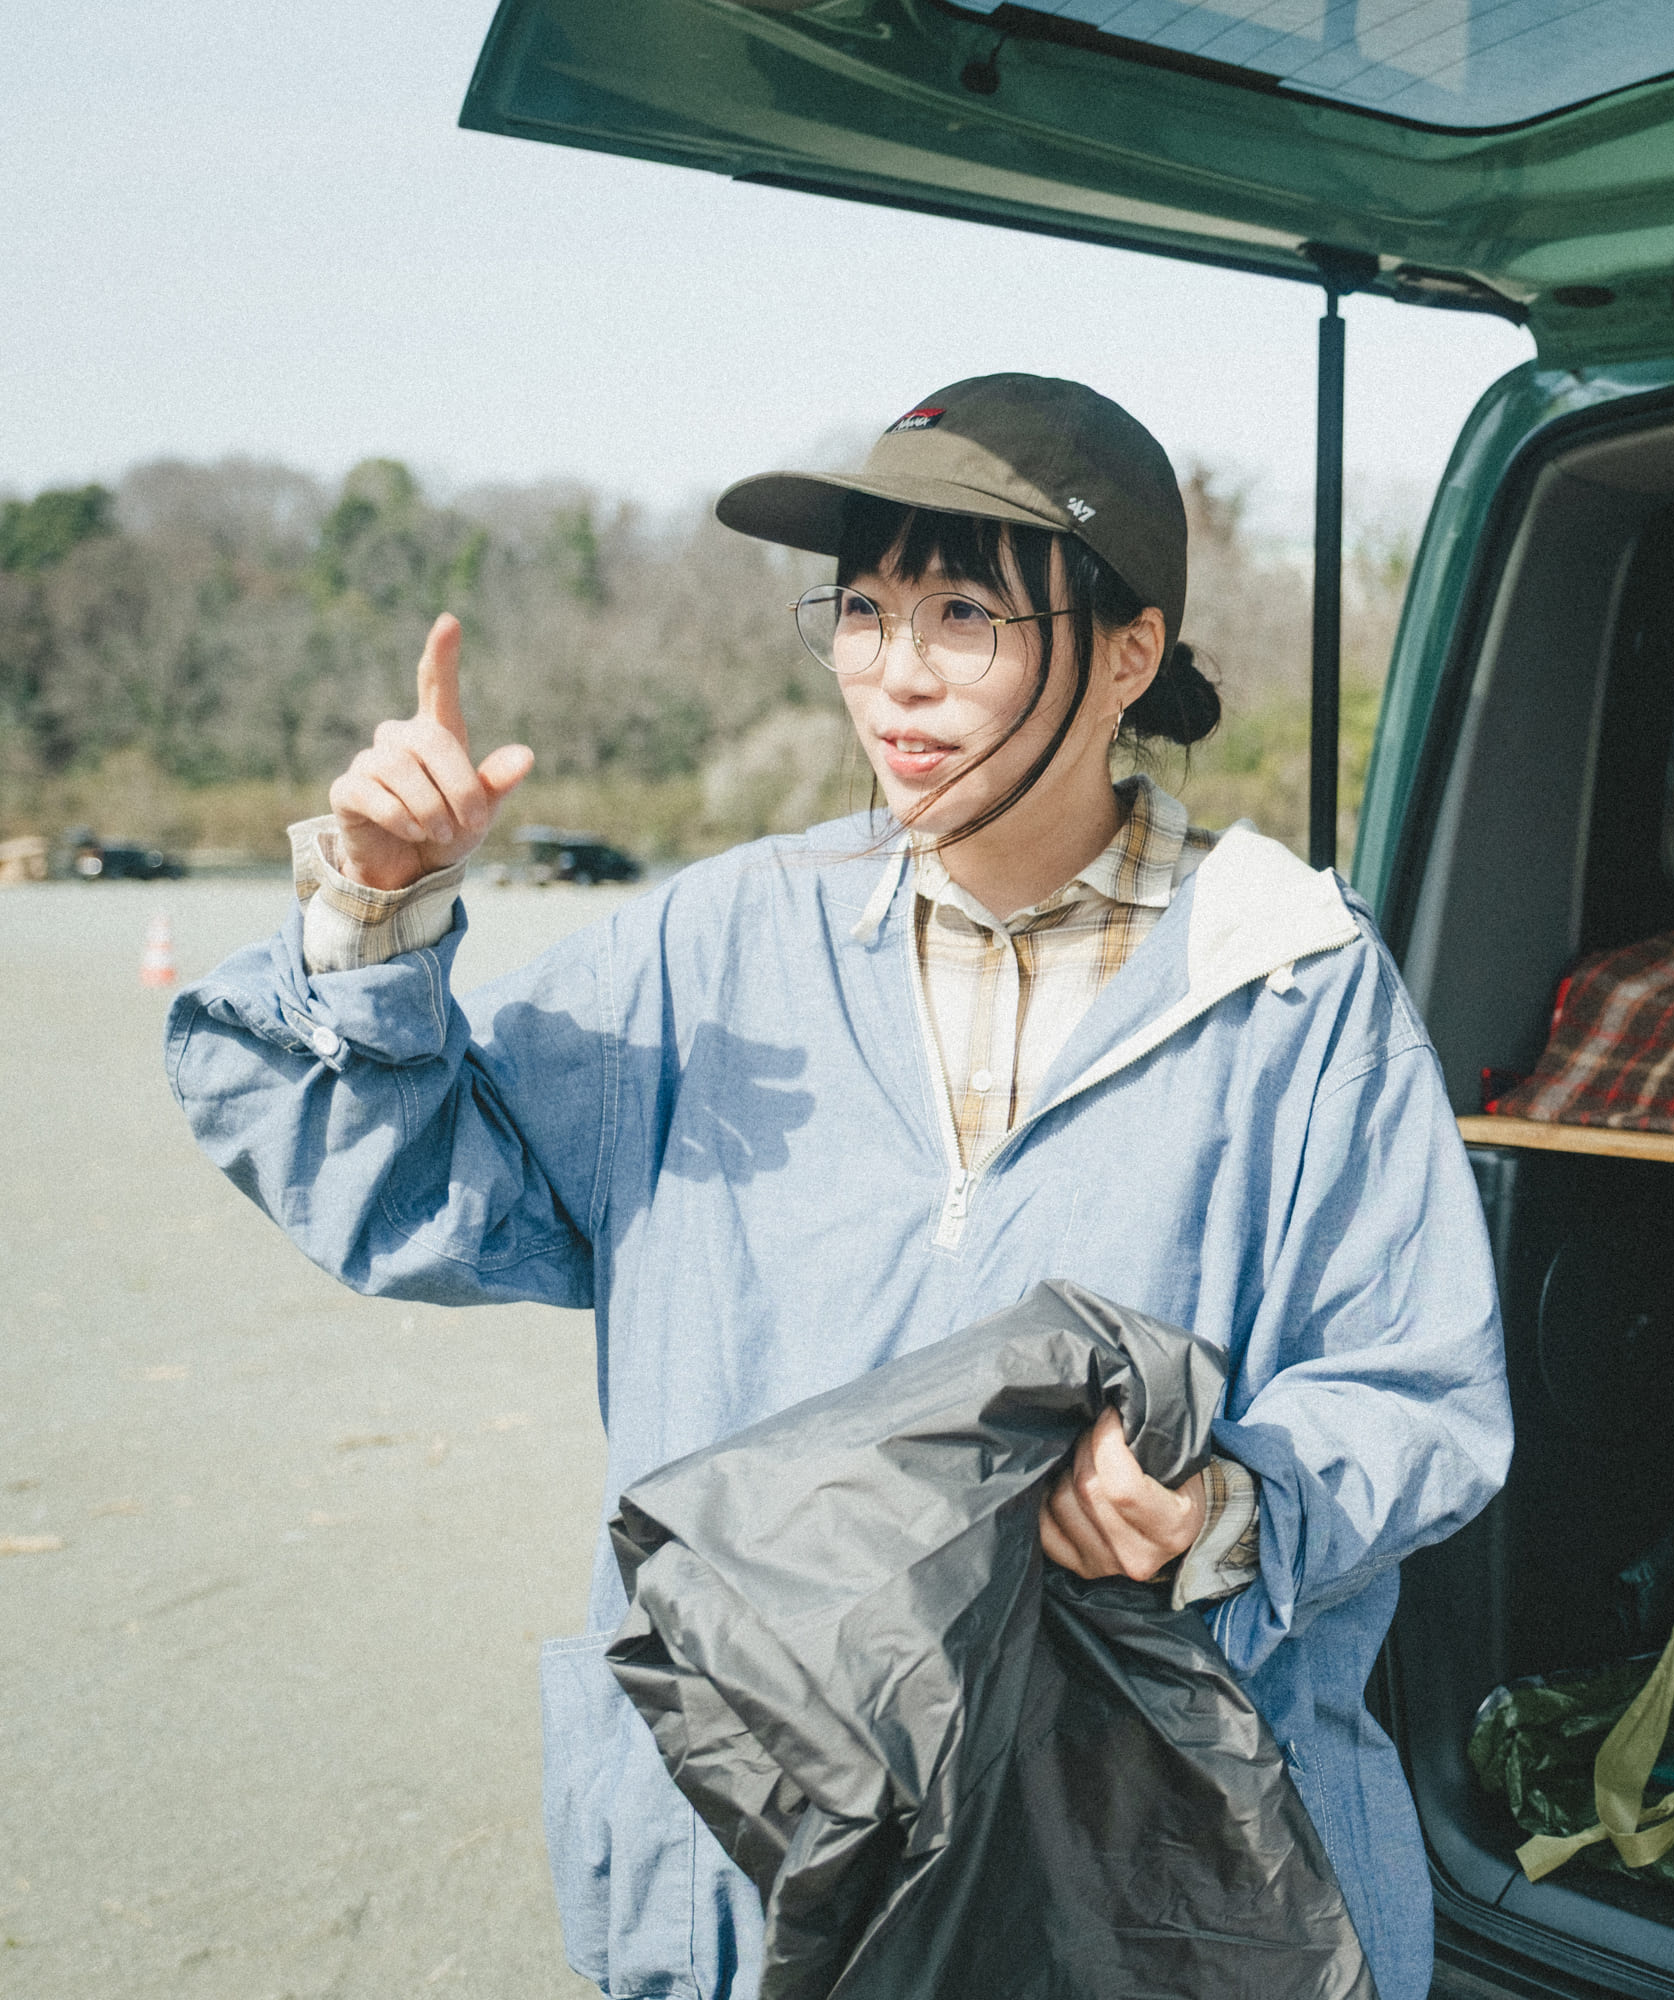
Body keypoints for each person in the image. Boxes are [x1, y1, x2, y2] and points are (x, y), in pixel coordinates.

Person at [164, 374, 1512, 2000]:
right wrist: (372, 925)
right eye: (864, 612)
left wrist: (1223, 1505)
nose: (896, 677)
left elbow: (1418, 1395)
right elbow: (408, 1194)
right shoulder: (710, 944)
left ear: (1129, 655)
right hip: (758, 1843)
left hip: (1119, 1867)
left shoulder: (1288, 986)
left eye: (963, 613)